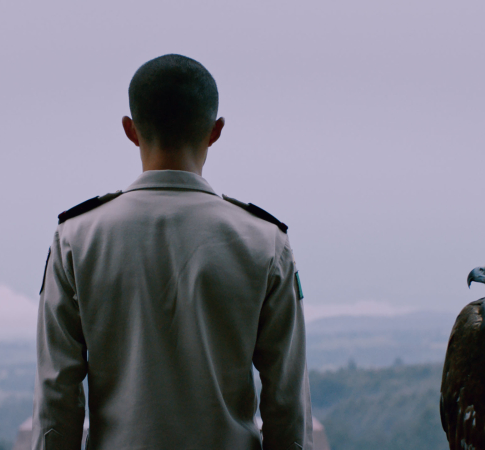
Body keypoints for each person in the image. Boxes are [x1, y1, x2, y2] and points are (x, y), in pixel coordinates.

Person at [32, 54, 312, 450]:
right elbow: (287, 403)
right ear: (215, 131)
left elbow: (56, 394)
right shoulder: (265, 240)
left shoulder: (77, 237)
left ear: (130, 130)